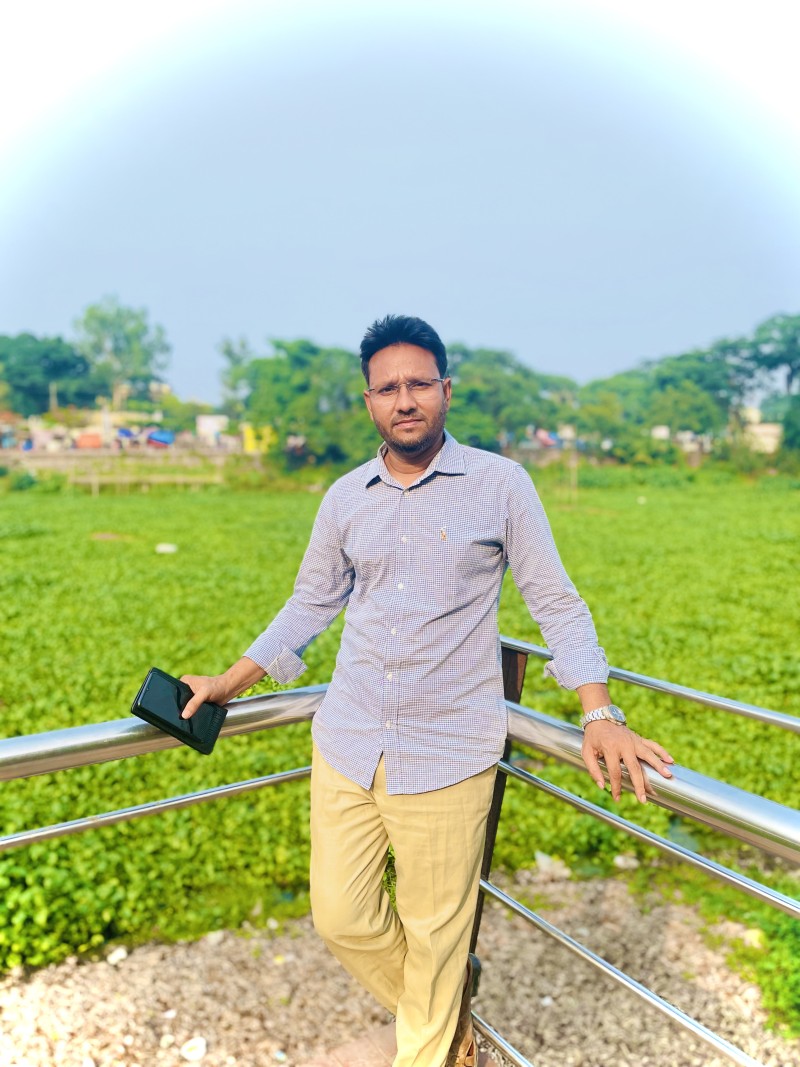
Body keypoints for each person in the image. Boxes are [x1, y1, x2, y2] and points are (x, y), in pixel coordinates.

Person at [181, 314, 674, 1067]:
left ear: (446, 390)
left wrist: (598, 711)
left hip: (449, 749)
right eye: (387, 388)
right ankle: (447, 1018)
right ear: (369, 402)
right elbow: (310, 602)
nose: (404, 400)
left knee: (436, 936)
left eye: (418, 384)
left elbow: (556, 602)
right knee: (342, 918)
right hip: (348, 742)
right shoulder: (345, 497)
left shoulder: (500, 485)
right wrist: (227, 681)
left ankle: (437, 1039)